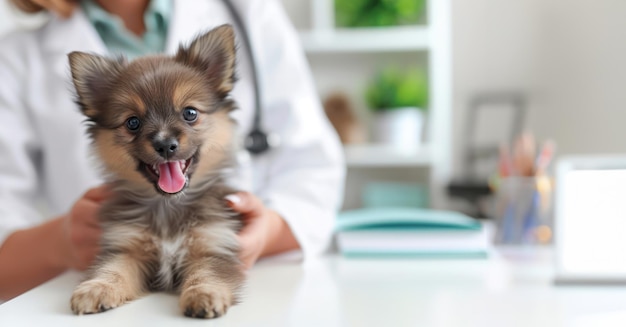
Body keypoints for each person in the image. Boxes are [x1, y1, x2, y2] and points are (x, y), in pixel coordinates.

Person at [0, 0, 345, 300]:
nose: (165, 138)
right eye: (132, 123)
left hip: (272, 295)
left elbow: (313, 171)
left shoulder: (249, 11)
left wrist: (269, 231)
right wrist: (58, 243)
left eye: (190, 114)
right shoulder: (15, 56)